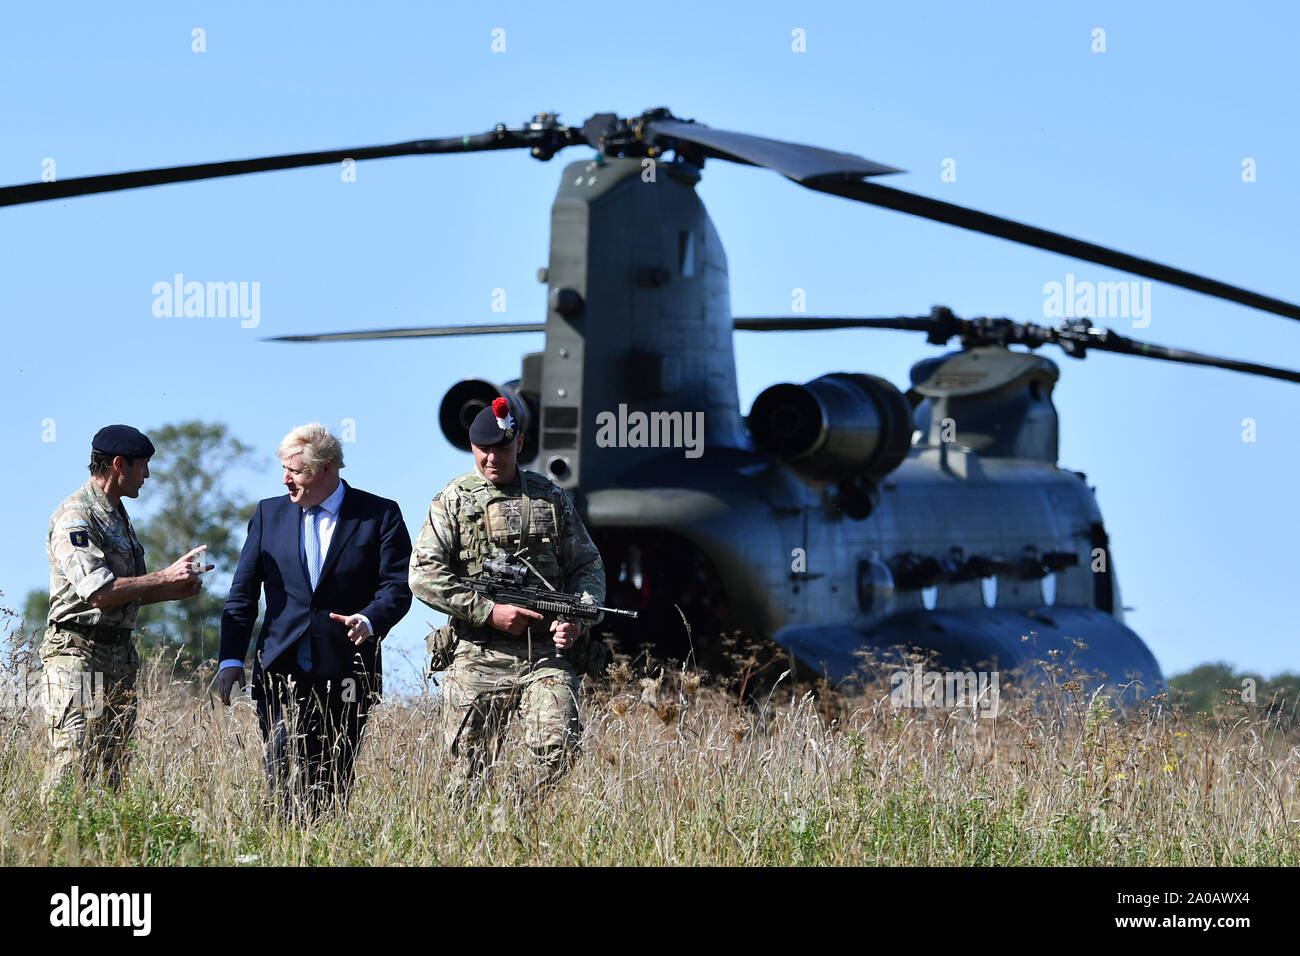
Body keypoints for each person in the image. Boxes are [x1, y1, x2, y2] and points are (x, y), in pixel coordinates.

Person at [410, 397, 606, 794]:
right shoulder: (453, 500)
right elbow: (423, 575)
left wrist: (578, 617)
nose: (491, 458)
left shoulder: (550, 498)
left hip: (544, 655)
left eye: (500, 448)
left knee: (559, 749)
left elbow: (588, 566)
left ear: (518, 444)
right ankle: (471, 846)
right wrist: (487, 612)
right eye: (483, 449)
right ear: (472, 448)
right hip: (479, 654)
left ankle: (514, 817)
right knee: (467, 772)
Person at [217, 424, 412, 818]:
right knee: (283, 777)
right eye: (285, 470)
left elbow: (398, 588)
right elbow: (242, 596)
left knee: (332, 783)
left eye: (297, 471)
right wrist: (231, 659)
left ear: (326, 470)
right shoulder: (267, 514)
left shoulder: (379, 515)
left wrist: (370, 620)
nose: (286, 479)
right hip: (280, 670)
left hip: (347, 671)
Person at [42, 424, 212, 790]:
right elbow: (99, 593)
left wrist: (172, 589)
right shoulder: (77, 518)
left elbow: (124, 592)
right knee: (71, 762)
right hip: (76, 654)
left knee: (111, 770)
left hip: (118, 656)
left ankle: (101, 848)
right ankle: (52, 845)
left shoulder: (117, 514)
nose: (147, 475)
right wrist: (163, 577)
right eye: (143, 465)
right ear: (119, 464)